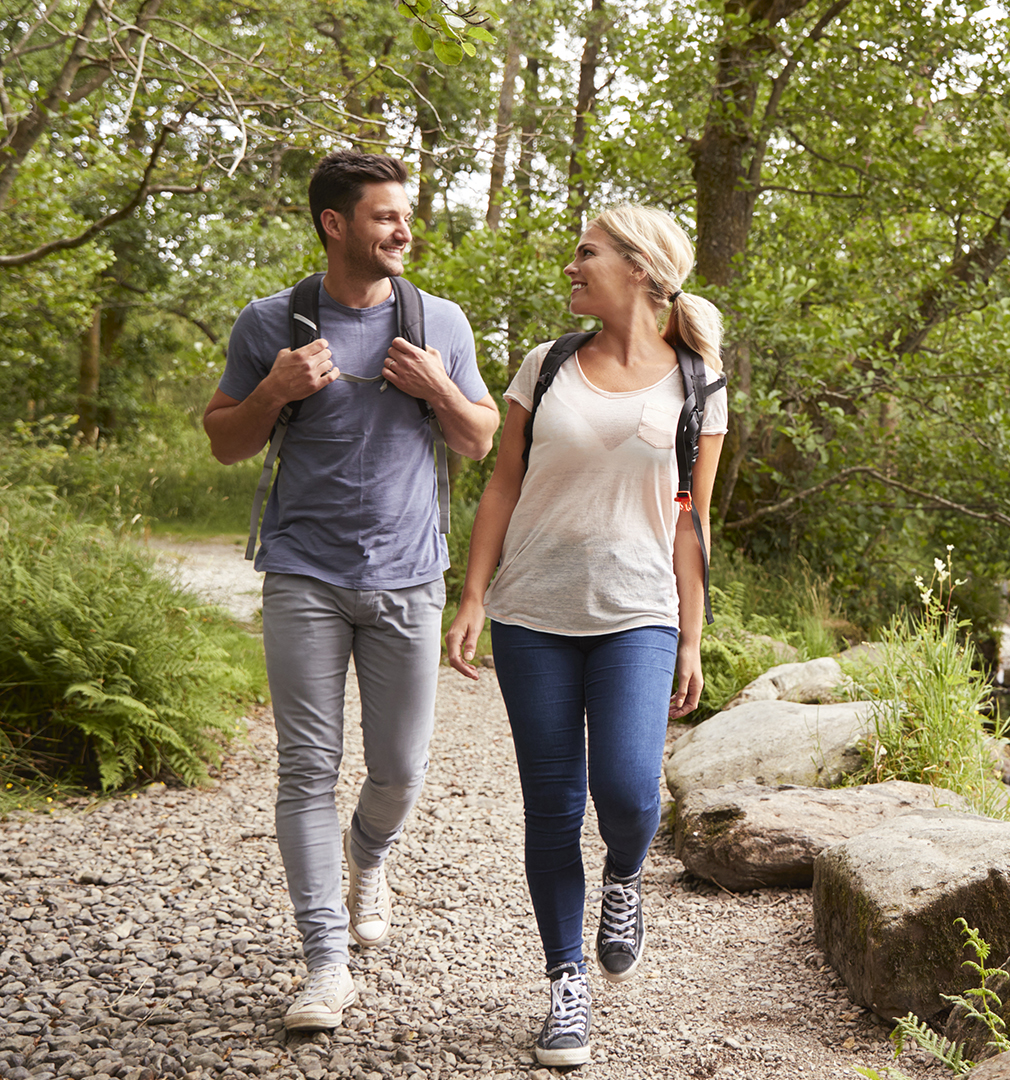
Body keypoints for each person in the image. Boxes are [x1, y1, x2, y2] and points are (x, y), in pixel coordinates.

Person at [203, 151, 499, 1031]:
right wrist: (274, 389)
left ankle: (369, 853)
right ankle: (324, 963)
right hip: (303, 574)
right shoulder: (271, 322)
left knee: (400, 771)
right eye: (385, 216)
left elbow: (480, 440)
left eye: (406, 214)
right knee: (306, 768)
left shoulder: (438, 319)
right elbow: (224, 441)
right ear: (335, 224)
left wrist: (440, 385)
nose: (405, 230)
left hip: (409, 578)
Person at [443, 204, 727, 1067]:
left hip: (639, 612)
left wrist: (691, 636)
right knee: (554, 806)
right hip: (534, 614)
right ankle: (565, 984)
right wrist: (474, 595)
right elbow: (501, 485)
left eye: (585, 253)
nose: (571, 266)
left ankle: (625, 879)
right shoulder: (547, 363)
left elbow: (694, 521)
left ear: (640, 270)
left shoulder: (699, 381)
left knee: (632, 791)